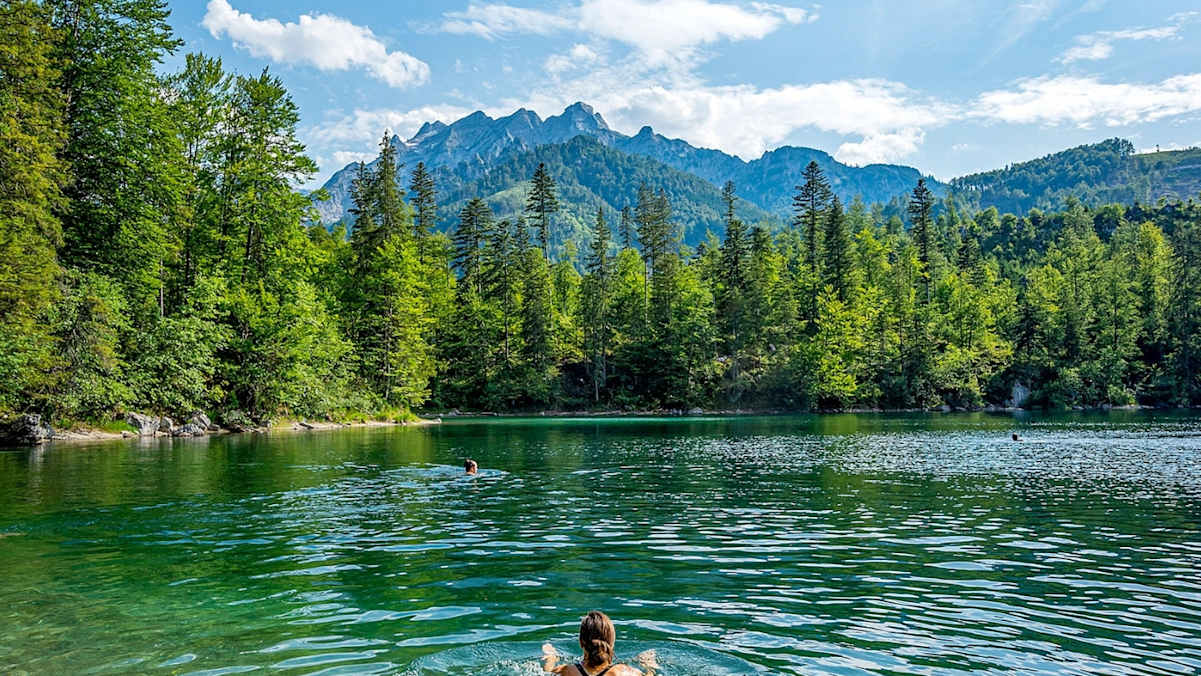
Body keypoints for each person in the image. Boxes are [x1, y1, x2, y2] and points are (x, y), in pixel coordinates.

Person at [542, 611, 657, 675]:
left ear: (581, 642)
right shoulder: (623, 672)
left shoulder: (568, 670)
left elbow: (547, 672)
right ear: (611, 643)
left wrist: (550, 658)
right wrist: (649, 666)